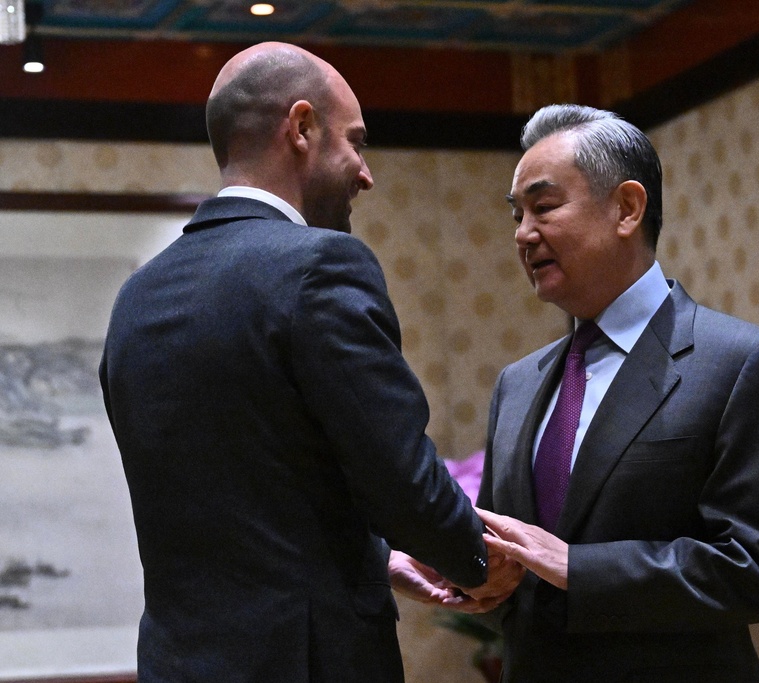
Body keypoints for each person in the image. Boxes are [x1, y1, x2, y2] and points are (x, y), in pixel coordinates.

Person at [99, 42, 517, 682]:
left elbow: (242, 503)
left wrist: (380, 559)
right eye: (356, 142)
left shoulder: (136, 297)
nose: (365, 174)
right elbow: (398, 475)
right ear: (301, 128)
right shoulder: (320, 264)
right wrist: (479, 563)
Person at [472, 104, 759, 681]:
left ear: (627, 209)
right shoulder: (517, 384)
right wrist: (467, 572)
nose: (523, 234)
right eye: (517, 214)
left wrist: (581, 569)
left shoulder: (743, 363)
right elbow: (508, 554)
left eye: (544, 207)